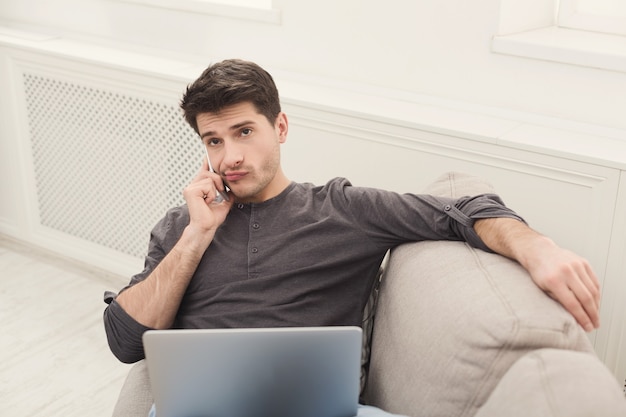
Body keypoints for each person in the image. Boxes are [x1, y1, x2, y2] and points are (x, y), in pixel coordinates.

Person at [103, 59, 601, 417]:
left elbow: (461, 211)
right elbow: (125, 341)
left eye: (244, 132)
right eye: (214, 141)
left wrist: (536, 247)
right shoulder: (181, 225)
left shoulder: (341, 209)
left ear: (280, 127)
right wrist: (196, 237)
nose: (230, 156)